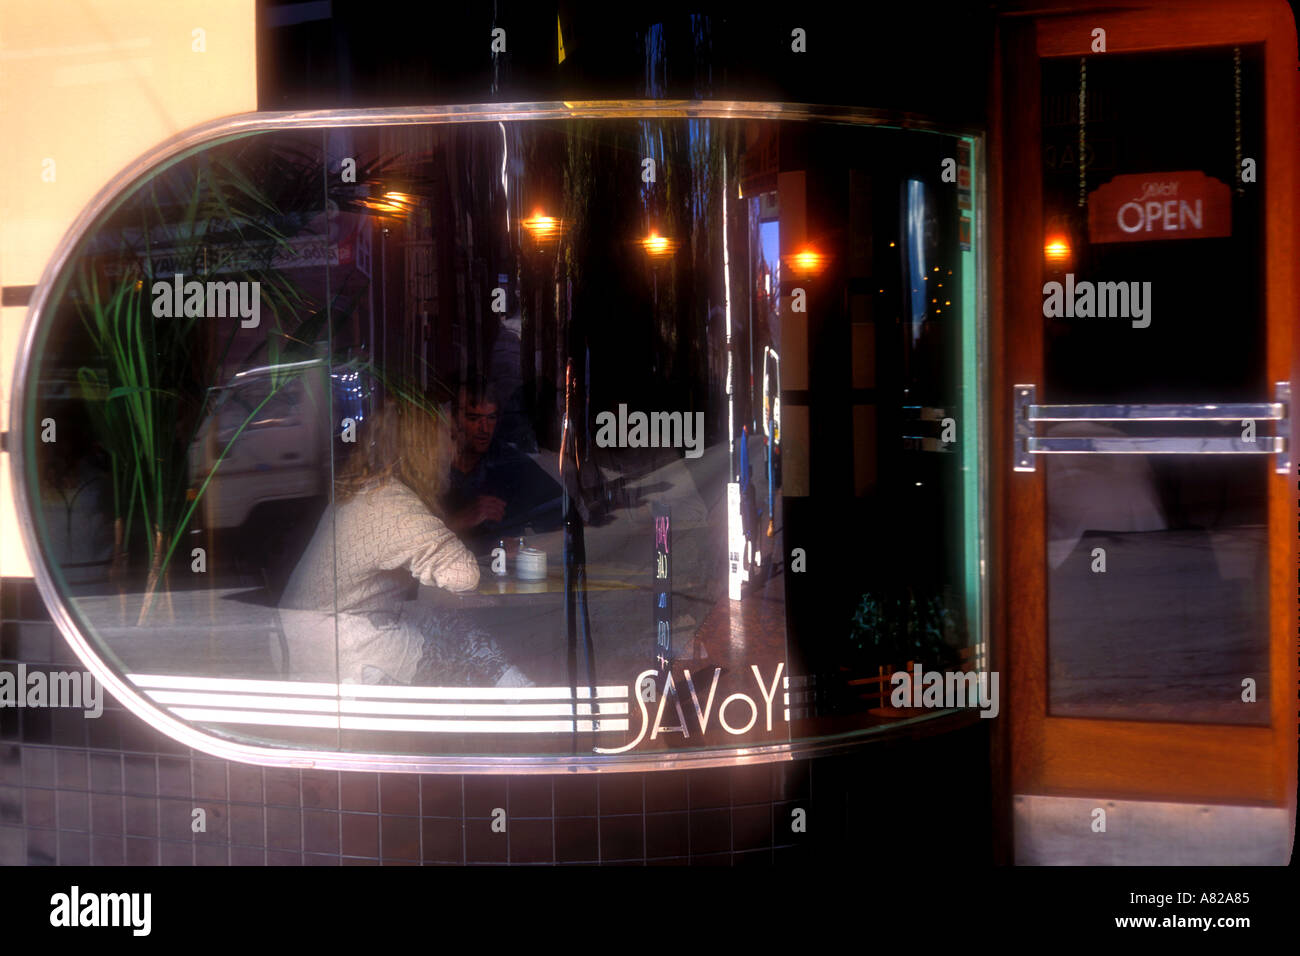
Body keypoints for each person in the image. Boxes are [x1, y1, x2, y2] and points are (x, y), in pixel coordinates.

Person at [277, 398, 532, 687]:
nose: (455, 448)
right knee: (459, 641)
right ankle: (520, 696)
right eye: (449, 437)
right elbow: (463, 575)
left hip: (311, 641)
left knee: (442, 622)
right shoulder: (391, 502)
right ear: (423, 448)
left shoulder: (370, 491)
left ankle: (518, 691)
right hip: (345, 648)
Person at [442, 377, 563, 553]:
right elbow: (411, 539)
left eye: (491, 418)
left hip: (506, 571)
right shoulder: (433, 466)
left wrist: (525, 545)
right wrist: (459, 521)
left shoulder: (509, 462)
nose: (484, 428)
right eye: (474, 417)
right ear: (453, 420)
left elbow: (561, 515)